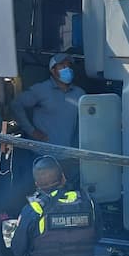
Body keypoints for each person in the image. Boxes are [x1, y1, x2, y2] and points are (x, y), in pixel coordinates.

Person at [11, 53, 85, 185]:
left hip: (69, 156)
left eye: (69, 65)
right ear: (53, 70)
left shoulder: (79, 93)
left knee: (69, 193)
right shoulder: (41, 90)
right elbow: (17, 104)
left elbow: (85, 122)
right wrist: (31, 130)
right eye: (62, 66)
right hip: (43, 155)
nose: (67, 69)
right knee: (45, 192)